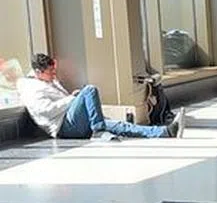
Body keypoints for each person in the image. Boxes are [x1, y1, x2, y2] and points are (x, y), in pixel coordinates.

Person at [16, 53, 184, 140]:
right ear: (38, 72)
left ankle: (164, 132)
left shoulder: (46, 81)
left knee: (118, 125)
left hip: (70, 118)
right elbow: (47, 111)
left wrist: (73, 98)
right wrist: (72, 99)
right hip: (63, 126)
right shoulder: (31, 89)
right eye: (50, 72)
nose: (54, 74)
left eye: (54, 70)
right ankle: (98, 130)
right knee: (89, 90)